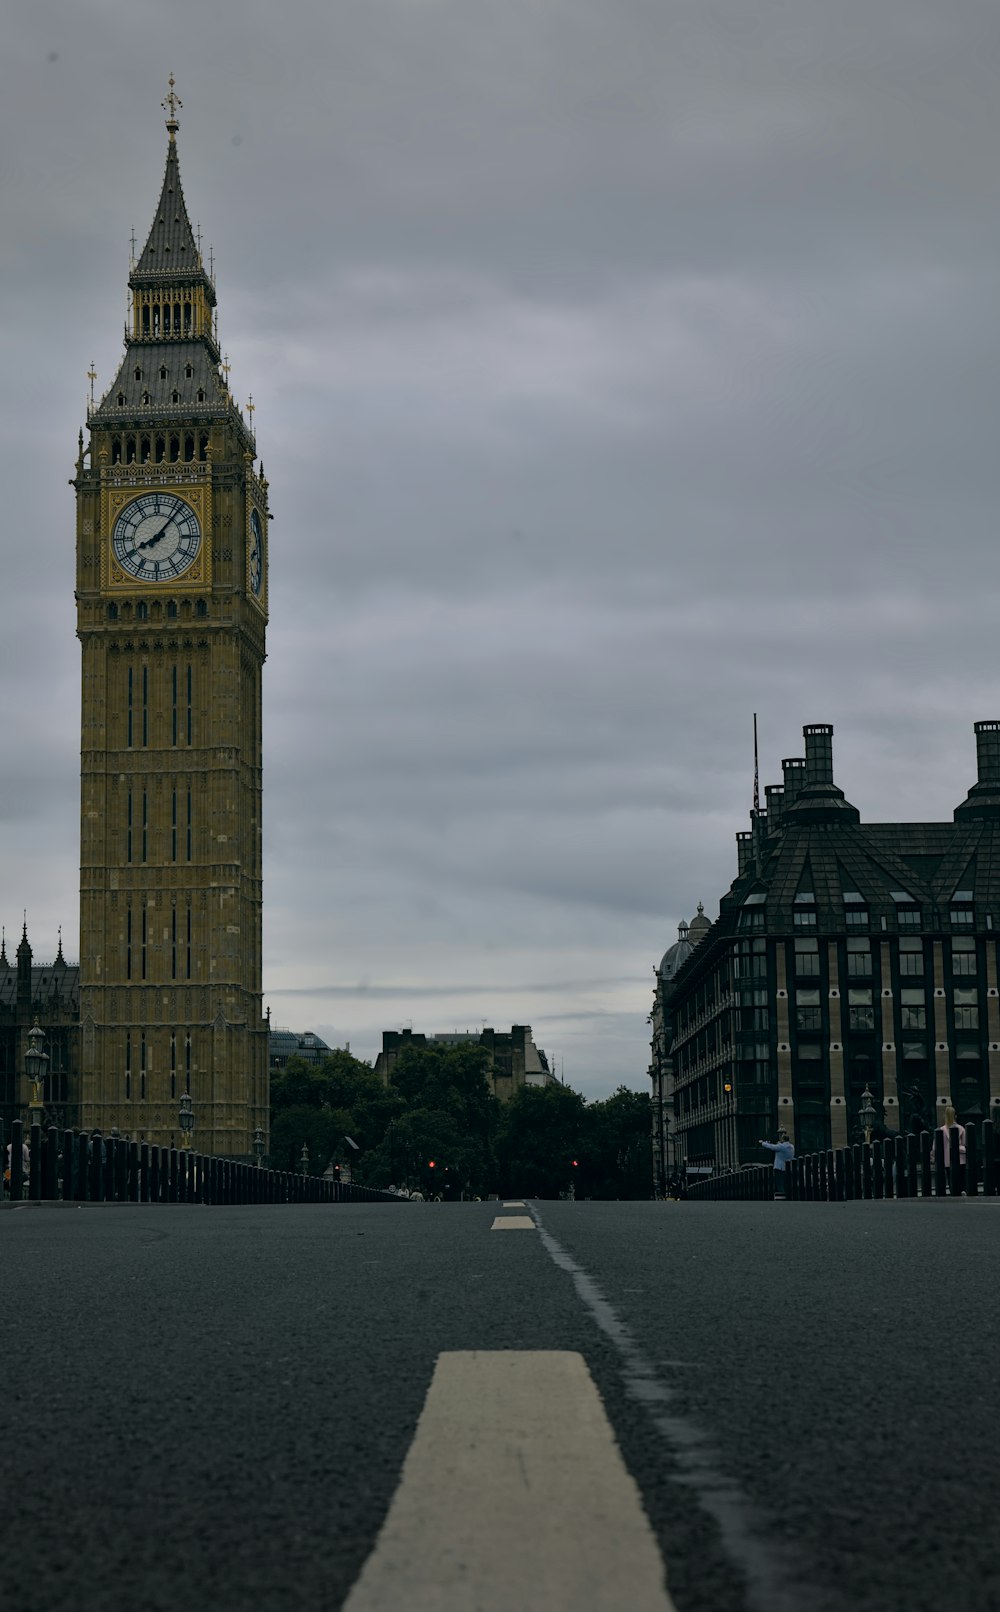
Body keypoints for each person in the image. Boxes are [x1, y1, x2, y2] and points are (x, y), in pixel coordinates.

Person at [760, 1129, 795, 1198]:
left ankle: (782, 1194)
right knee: (785, 1181)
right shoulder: (791, 1147)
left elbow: (771, 1147)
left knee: (779, 1182)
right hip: (787, 1167)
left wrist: (763, 1143)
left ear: (783, 1140)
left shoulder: (782, 1147)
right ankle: (787, 1194)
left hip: (780, 1167)